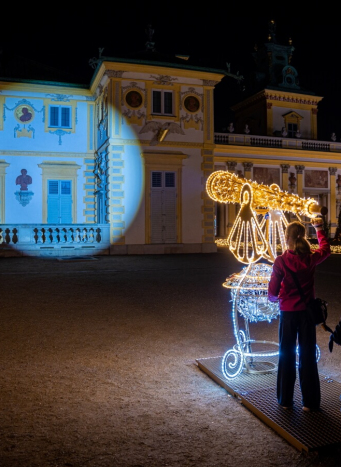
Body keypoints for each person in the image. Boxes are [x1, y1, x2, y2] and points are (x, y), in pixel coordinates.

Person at [268, 218, 331, 412]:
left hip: (288, 313)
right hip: (306, 314)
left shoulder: (281, 261)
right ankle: (310, 402)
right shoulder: (310, 259)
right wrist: (319, 228)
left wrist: (275, 298)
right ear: (302, 238)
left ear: (286, 238)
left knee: (286, 355)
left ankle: (285, 400)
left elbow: (272, 292)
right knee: (307, 356)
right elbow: (326, 249)